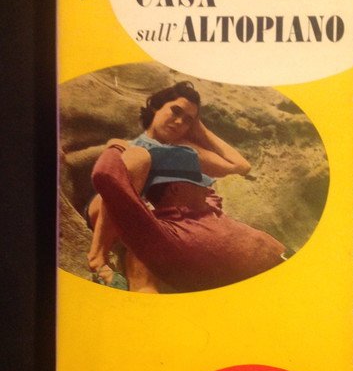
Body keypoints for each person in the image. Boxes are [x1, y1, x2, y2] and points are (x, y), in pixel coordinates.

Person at [86, 80, 251, 279]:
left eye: (188, 120)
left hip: (160, 225)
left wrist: (201, 129)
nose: (180, 122)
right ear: (156, 107)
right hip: (114, 211)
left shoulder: (185, 152)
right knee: (134, 155)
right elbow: (106, 183)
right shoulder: (127, 146)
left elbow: (240, 166)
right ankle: (98, 255)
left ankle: (116, 261)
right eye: (175, 111)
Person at [91, 142, 286, 293]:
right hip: (270, 289)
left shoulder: (205, 205)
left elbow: (238, 166)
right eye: (199, 183)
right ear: (176, 189)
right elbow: (106, 176)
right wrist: (117, 146)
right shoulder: (161, 236)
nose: (207, 187)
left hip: (289, 264)